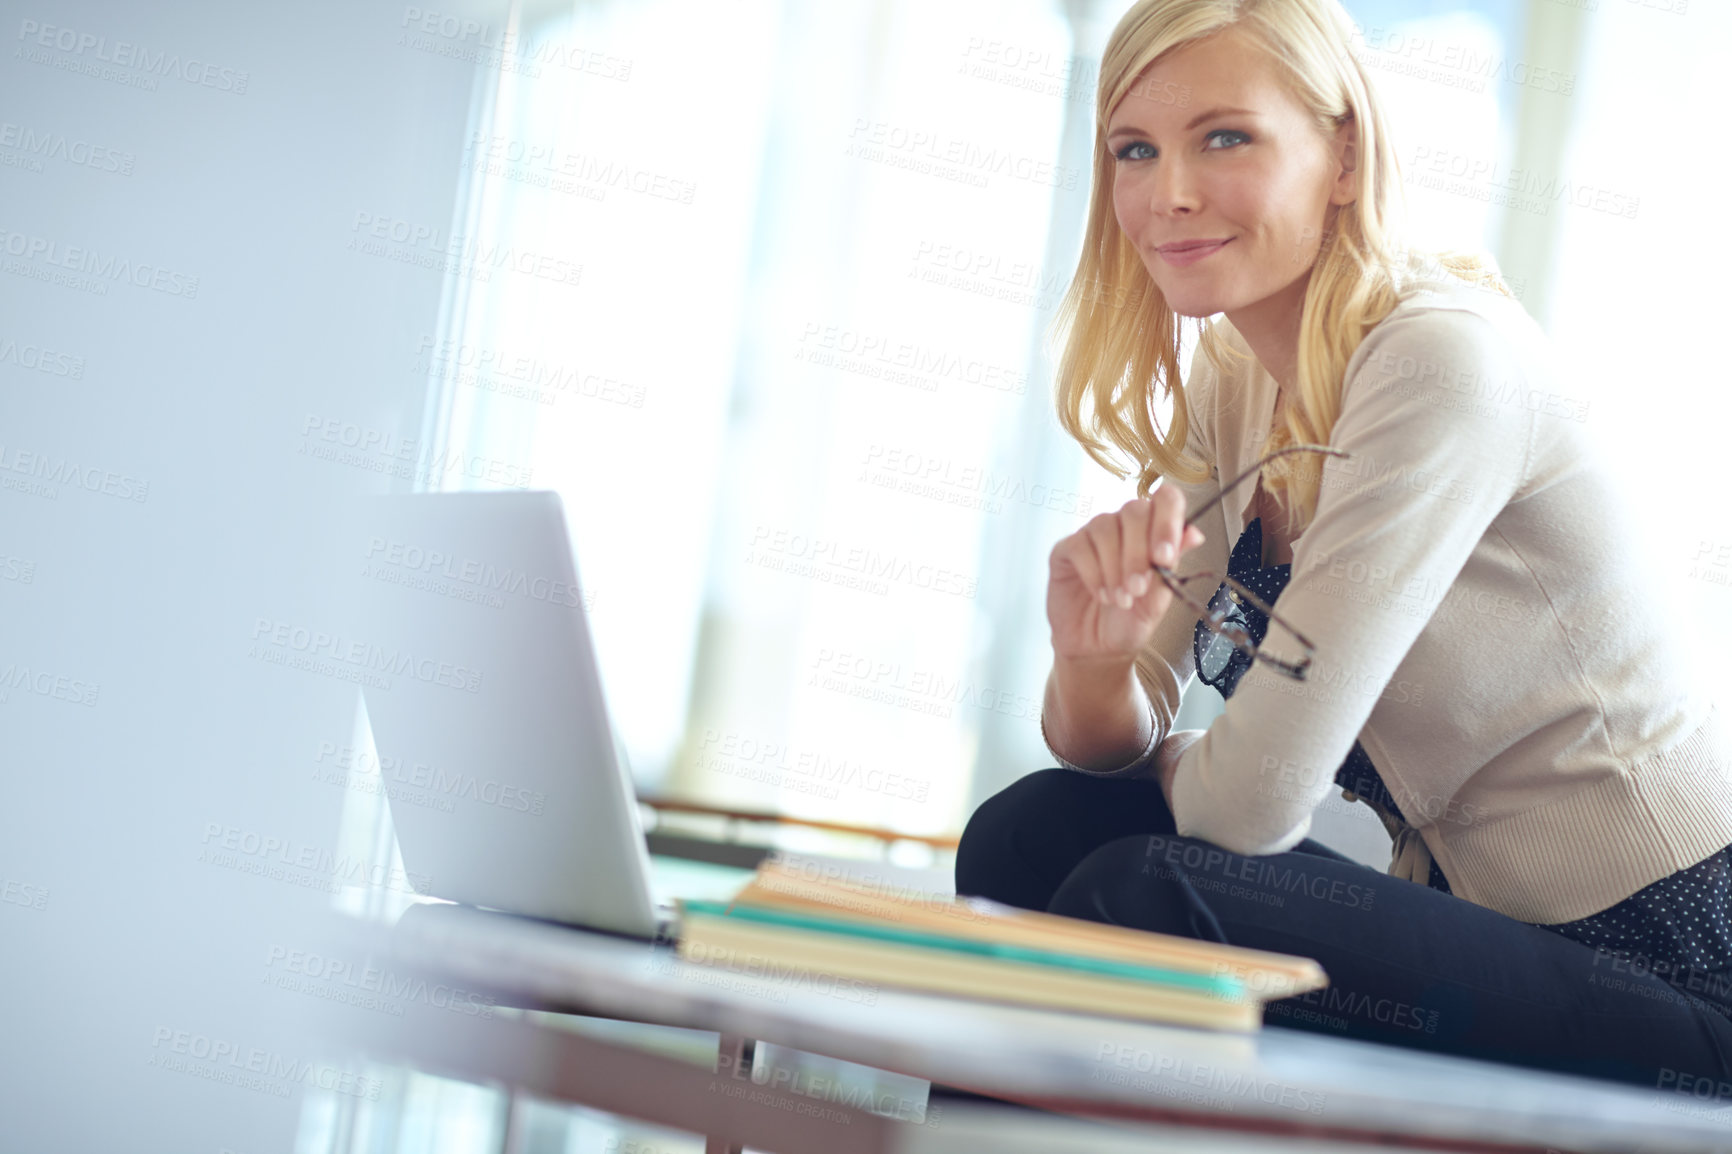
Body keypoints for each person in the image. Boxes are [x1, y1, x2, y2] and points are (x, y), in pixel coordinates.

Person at [953, 0, 1732, 1091]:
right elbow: (1123, 728)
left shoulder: (1438, 362)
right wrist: (1093, 664)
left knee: (1151, 892)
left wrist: (1200, 758)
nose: (1167, 191)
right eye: (1135, 149)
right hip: (1490, 925)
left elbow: (1247, 805)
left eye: (1224, 136)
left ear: (1344, 156)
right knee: (1031, 832)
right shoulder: (1236, 373)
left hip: (1678, 966)